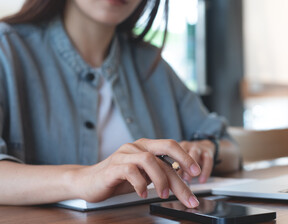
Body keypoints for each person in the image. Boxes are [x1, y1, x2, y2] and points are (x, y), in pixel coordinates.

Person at [0, 0, 241, 208]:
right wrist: (83, 179)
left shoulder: (151, 63)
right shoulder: (6, 50)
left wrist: (209, 151)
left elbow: (231, 147)